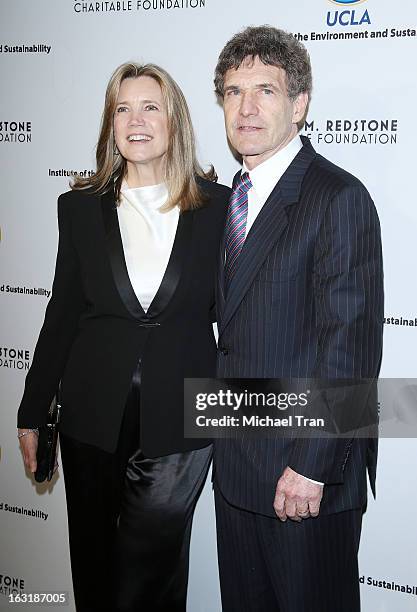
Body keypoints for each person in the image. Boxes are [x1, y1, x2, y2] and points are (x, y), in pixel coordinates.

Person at [17, 62, 230, 612]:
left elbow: (236, 316)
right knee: (92, 567)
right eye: (122, 108)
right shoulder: (80, 207)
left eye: (150, 107)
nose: (136, 120)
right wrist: (32, 408)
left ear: (174, 121)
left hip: (182, 419)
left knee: (150, 580)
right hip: (90, 415)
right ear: (110, 124)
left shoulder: (219, 207)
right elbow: (62, 310)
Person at [212, 26, 384, 611]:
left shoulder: (338, 197)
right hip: (235, 472)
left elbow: (351, 351)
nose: (248, 107)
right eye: (234, 92)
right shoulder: (228, 200)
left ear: (300, 103)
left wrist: (311, 467)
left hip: (305, 477)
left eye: (265, 89)